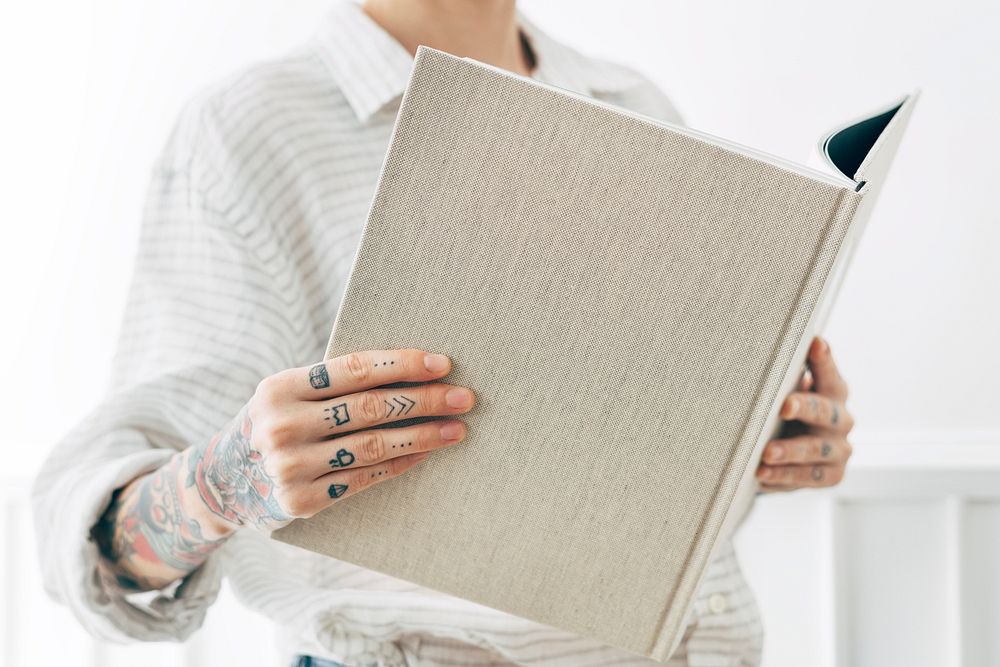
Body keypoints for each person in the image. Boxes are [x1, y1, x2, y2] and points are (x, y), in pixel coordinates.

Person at [31, 1, 856, 665]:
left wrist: (761, 442)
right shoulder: (251, 131)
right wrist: (225, 479)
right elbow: (103, 547)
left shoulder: (634, 104)